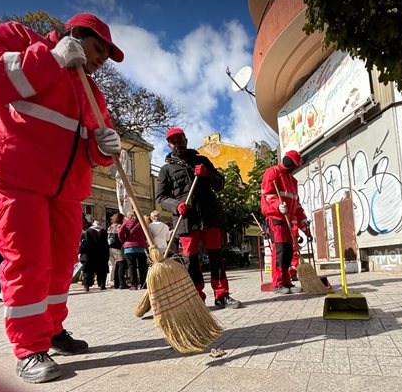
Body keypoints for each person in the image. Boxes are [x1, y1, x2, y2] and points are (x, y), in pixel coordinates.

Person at [0, 13, 124, 383]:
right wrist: (51, 58)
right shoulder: (19, 38)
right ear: (76, 34)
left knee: (60, 263)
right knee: (29, 259)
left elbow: (94, 146)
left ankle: (52, 331)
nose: (101, 59)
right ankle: (28, 348)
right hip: (13, 174)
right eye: (98, 48)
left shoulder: (91, 91)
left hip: (65, 189)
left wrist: (104, 147)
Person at [156, 127, 241, 309]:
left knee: (216, 257)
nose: (177, 143)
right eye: (173, 141)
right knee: (191, 262)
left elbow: (220, 184)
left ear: (186, 140)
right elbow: (161, 198)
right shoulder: (166, 170)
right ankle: (197, 299)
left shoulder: (202, 160)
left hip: (210, 217)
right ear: (169, 145)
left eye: (180, 139)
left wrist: (207, 174)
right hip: (186, 222)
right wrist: (176, 205)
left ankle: (222, 295)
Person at [261, 150, 311, 294]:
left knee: (288, 252)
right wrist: (278, 205)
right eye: (293, 165)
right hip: (276, 218)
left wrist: (304, 224)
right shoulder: (272, 172)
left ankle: (287, 282)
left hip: (289, 220)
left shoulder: (292, 181)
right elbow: (268, 194)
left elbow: (297, 205)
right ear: (288, 162)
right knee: (280, 251)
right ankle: (278, 284)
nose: (293, 168)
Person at [118, 211, 148, 290]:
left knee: (132, 267)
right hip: (141, 247)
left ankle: (134, 285)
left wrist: (124, 241)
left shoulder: (126, 222)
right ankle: (143, 284)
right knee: (142, 267)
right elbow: (146, 233)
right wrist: (143, 240)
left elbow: (120, 232)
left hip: (129, 248)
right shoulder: (142, 223)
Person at [78, 221, 110, 291]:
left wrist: (81, 252)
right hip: (101, 253)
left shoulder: (87, 232)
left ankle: (87, 285)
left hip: (89, 254)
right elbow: (106, 244)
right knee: (102, 270)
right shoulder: (104, 232)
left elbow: (83, 243)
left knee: (88, 270)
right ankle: (102, 285)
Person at [107, 212, 127, 289]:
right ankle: (122, 283)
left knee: (115, 266)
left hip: (110, 248)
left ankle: (116, 283)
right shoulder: (120, 226)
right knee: (121, 265)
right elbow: (122, 236)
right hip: (117, 248)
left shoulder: (110, 227)